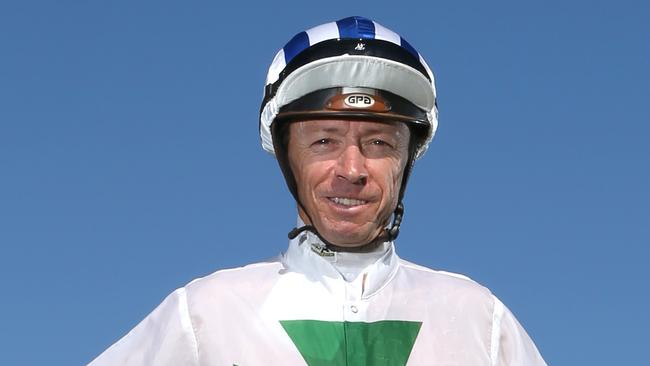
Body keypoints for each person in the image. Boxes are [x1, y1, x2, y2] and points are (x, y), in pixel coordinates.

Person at [89, 16, 547, 365]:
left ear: (408, 159)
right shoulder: (205, 313)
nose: (352, 169)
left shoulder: (479, 319)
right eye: (325, 141)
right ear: (288, 155)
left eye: (378, 143)